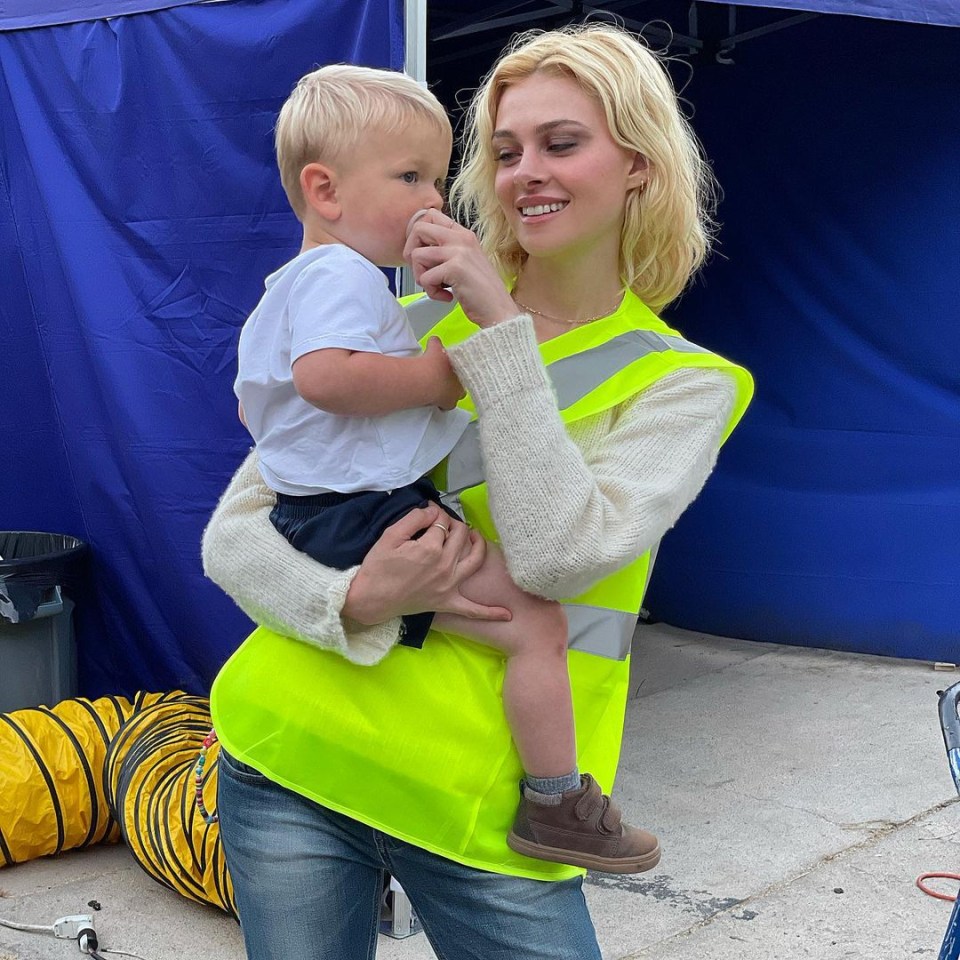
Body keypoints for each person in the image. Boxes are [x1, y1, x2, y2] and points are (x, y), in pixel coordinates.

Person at [203, 22, 754, 960]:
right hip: (287, 756)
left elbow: (556, 556)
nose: (524, 171)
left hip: (492, 812)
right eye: (504, 151)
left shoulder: (683, 381)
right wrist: (350, 598)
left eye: (562, 143)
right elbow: (237, 530)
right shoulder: (400, 317)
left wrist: (496, 335)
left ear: (640, 167)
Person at [234, 62, 658, 874]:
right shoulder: (346, 279)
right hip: (361, 532)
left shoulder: (300, 288)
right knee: (537, 627)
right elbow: (322, 381)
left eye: (436, 175)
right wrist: (439, 374)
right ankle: (558, 802)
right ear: (326, 192)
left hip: (345, 539)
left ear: (640, 167)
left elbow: (260, 407)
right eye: (410, 177)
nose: (434, 197)